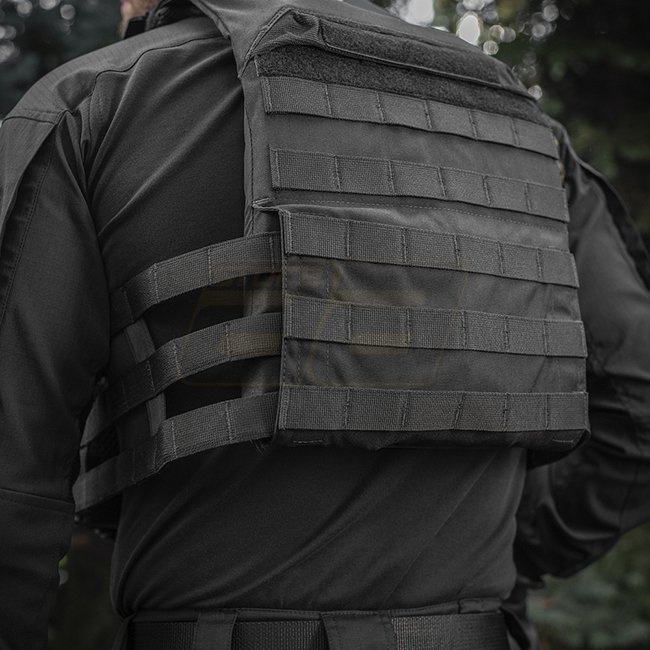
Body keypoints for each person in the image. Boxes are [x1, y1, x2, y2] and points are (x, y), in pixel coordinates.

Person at [0, 1, 648, 649]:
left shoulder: (96, 102)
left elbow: (12, 469)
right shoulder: (527, 130)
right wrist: (504, 563)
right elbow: (638, 397)